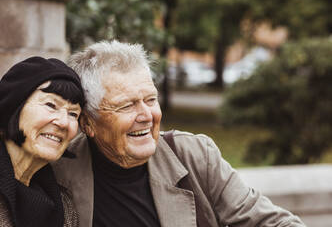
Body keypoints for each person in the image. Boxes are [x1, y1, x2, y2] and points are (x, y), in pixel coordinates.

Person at [53, 40, 306, 227]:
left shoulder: (193, 155)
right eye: (127, 105)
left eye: (150, 99)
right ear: (87, 123)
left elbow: (273, 222)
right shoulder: (57, 171)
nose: (146, 115)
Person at [0, 56, 86, 227]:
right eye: (51, 105)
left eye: (73, 114)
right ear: (13, 108)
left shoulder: (65, 206)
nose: (64, 122)